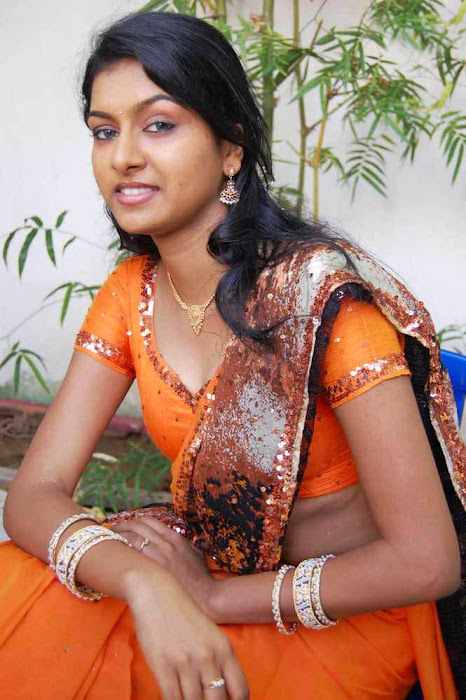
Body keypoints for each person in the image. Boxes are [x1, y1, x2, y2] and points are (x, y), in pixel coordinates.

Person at [0, 10, 464, 700]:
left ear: (232, 149)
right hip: (201, 571)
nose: (124, 155)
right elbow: (32, 495)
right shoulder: (132, 293)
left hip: (337, 611)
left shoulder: (323, 304)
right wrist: (146, 583)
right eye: (104, 130)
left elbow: (427, 562)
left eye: (159, 124)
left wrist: (211, 600)